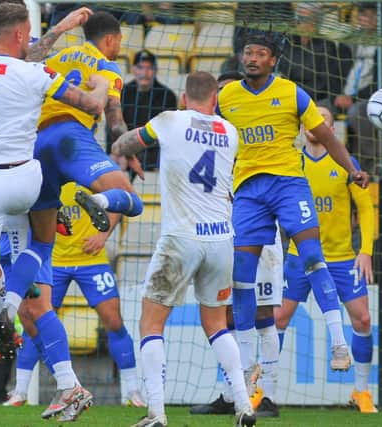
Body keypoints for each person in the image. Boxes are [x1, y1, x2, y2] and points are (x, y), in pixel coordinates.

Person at [0, 2, 111, 416]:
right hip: (23, 181)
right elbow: (91, 105)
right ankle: (66, 381)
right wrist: (103, 82)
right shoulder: (34, 73)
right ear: (22, 34)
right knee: (39, 259)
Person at [216, 29, 370, 392]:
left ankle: (338, 343)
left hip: (288, 184)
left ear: (273, 60)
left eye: (259, 53)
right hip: (248, 190)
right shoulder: (228, 96)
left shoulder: (290, 92)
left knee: (313, 256)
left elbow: (329, 137)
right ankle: (249, 364)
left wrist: (352, 169)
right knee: (241, 275)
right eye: (247, 52)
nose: (251, 58)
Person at [111, 71, 255, 427]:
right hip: (221, 239)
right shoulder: (230, 133)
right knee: (218, 325)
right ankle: (244, 406)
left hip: (181, 238)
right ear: (215, 100)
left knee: (151, 323)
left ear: (183, 97)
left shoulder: (169, 120)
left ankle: (156, 413)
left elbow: (124, 144)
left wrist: (124, 146)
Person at [189, 70, 283, 419]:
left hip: (261, 232)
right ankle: (233, 393)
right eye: (222, 95)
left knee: (263, 313)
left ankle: (268, 395)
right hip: (227, 234)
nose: (227, 102)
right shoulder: (210, 136)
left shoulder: (255, 133)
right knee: (226, 314)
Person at [3, 182, 145, 408]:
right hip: (54, 261)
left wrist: (103, 235)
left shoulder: (86, 173)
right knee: (33, 320)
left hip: (92, 260)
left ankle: (133, 392)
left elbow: (119, 196)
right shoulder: (43, 176)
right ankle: (20, 392)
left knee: (114, 321)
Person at [275, 106, 377, 413]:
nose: (315, 125)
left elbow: (367, 209)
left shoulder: (346, 164)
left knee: (363, 319)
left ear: (330, 130)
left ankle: (360, 391)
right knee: (278, 319)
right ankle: (261, 389)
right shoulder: (292, 164)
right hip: (298, 255)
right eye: (310, 120)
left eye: (323, 122)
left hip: (343, 258)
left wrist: (366, 250)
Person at [334, 2, 382, 171]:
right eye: (363, 14)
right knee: (320, 109)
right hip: (342, 97)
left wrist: (353, 98)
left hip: (372, 99)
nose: (366, 19)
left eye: (372, 14)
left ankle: (369, 165)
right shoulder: (349, 42)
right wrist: (337, 95)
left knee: (356, 112)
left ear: (381, 18)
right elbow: (335, 72)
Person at [277, 3, 346, 109]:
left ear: (317, 21)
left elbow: (324, 82)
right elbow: (284, 75)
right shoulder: (289, 43)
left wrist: (299, 95)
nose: (302, 23)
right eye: (300, 19)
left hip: (318, 99)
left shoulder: (326, 45)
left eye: (307, 19)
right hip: (290, 96)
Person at [117, 49, 177, 172]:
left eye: (149, 68)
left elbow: (168, 134)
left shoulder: (167, 95)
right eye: (140, 67)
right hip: (126, 151)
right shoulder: (123, 92)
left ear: (155, 71)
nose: (145, 73)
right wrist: (118, 153)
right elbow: (114, 126)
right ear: (133, 69)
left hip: (153, 154)